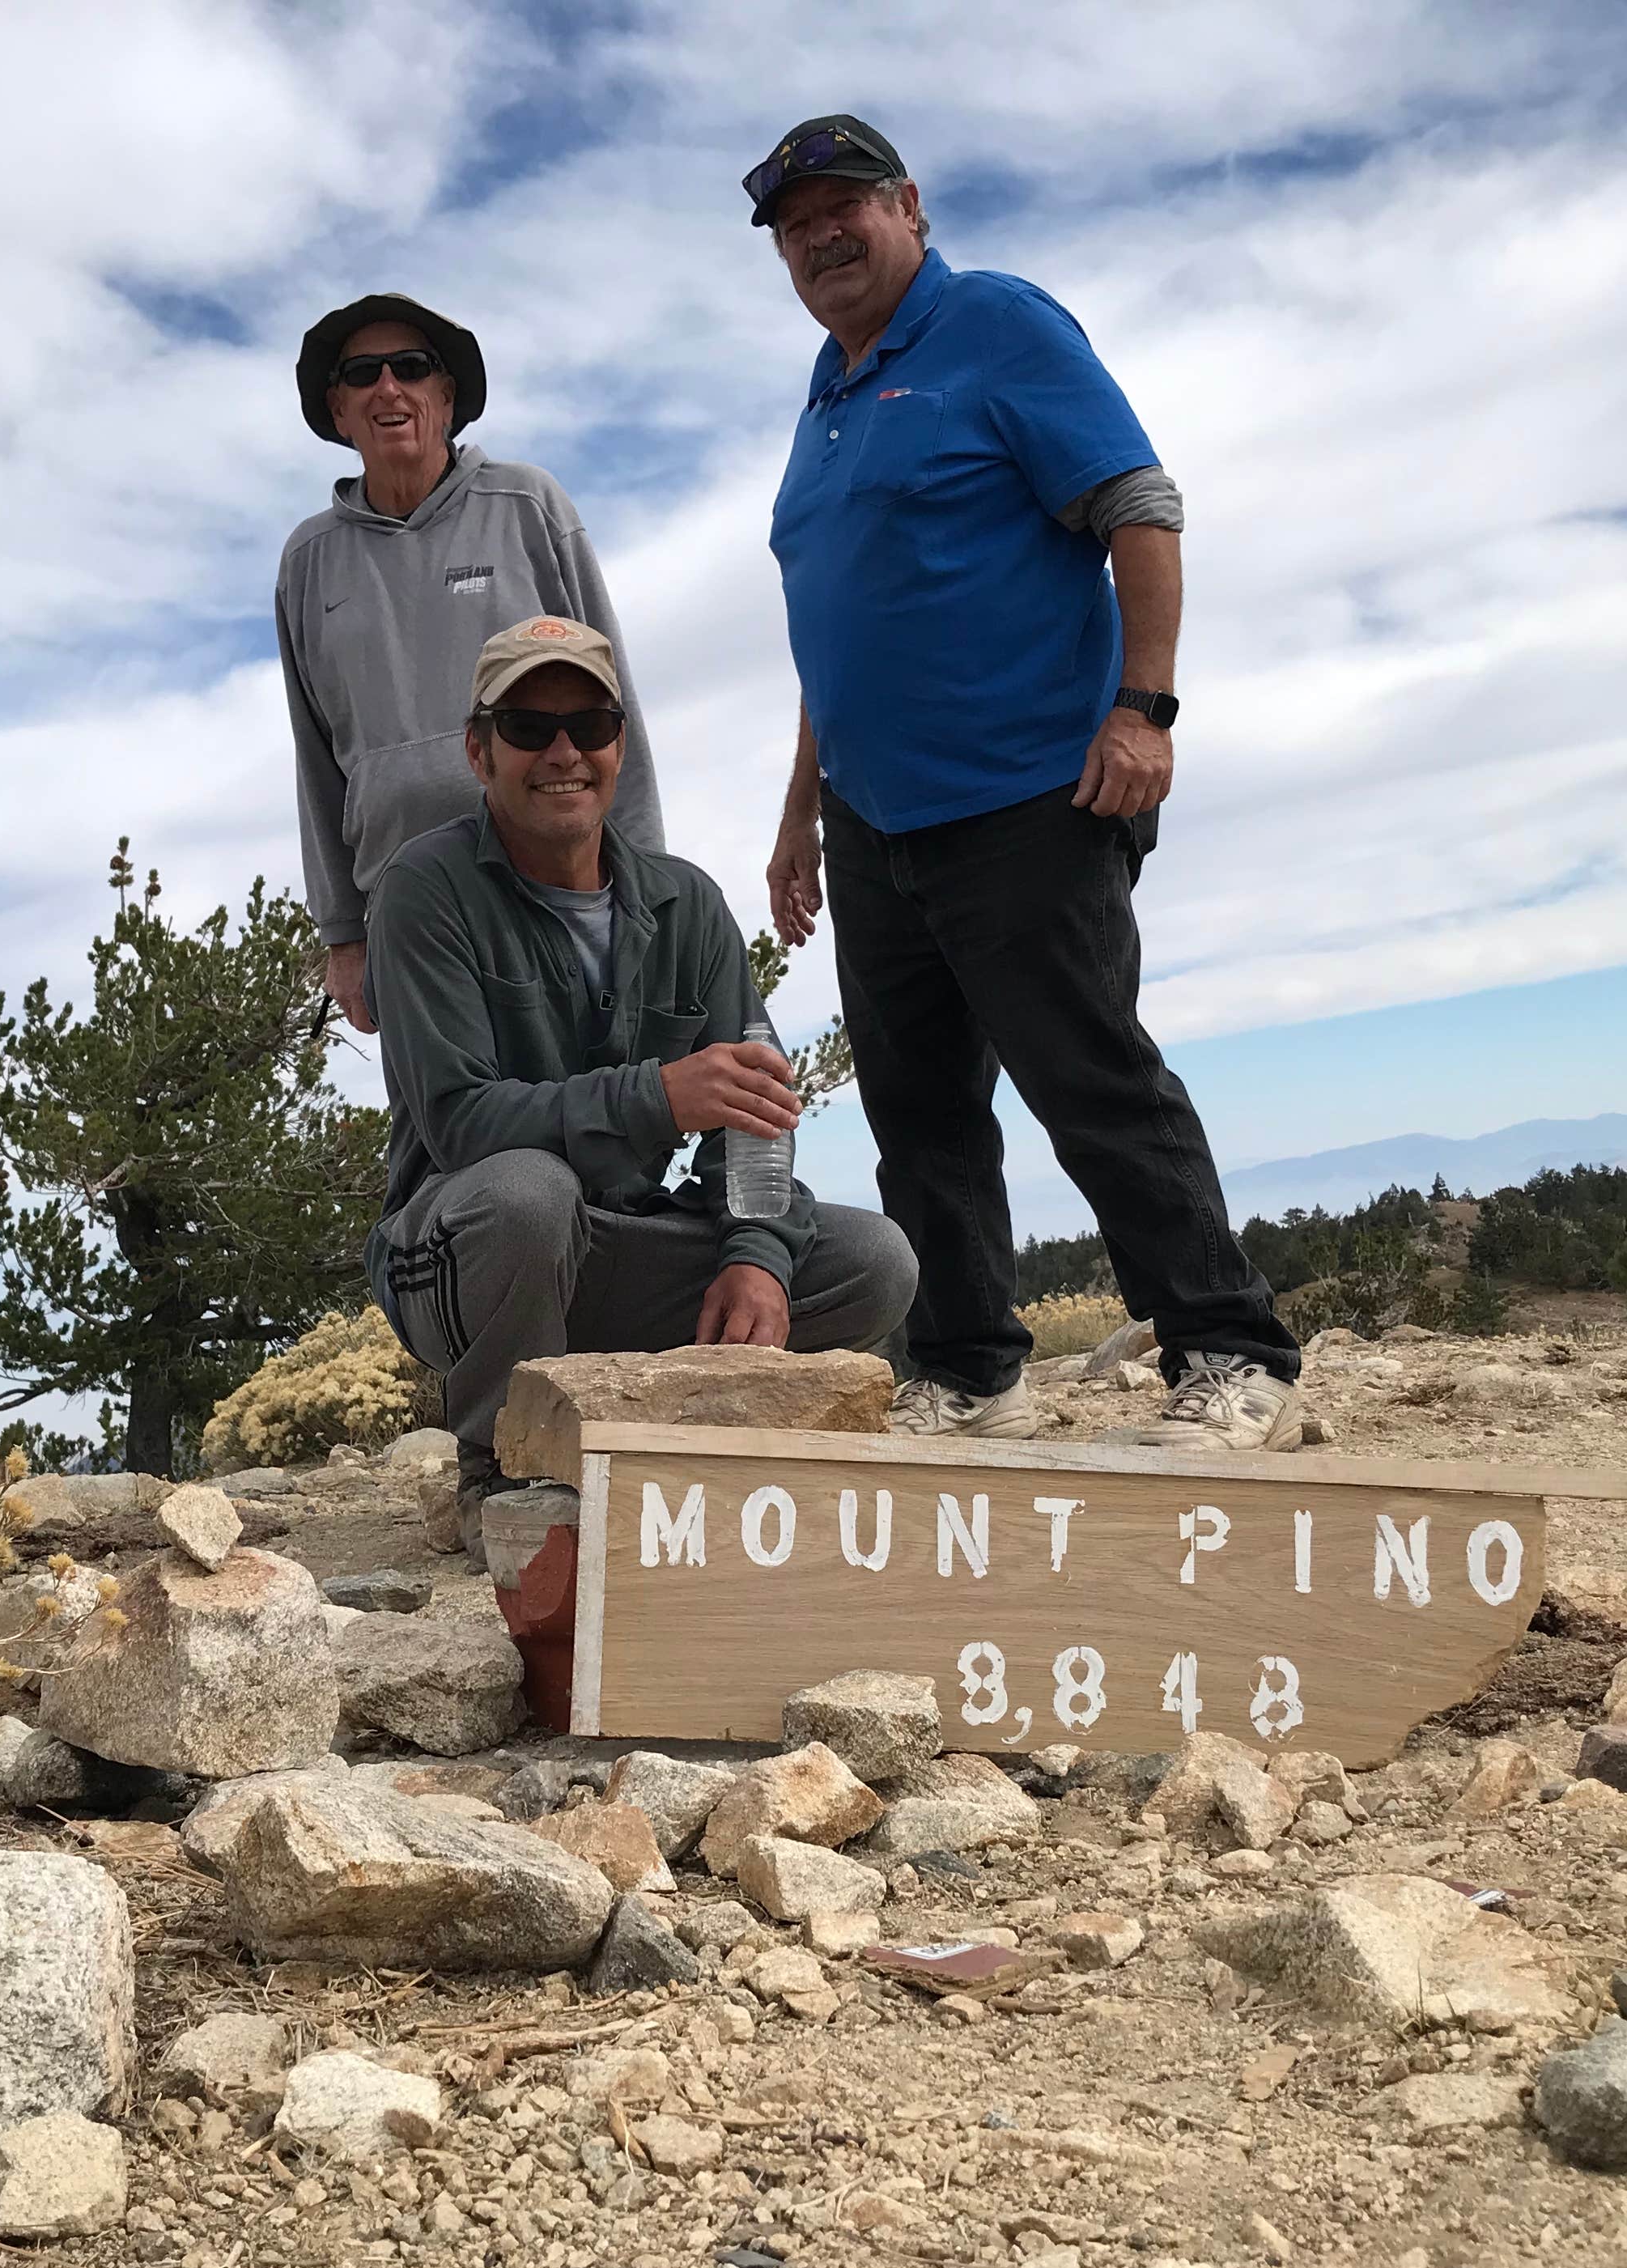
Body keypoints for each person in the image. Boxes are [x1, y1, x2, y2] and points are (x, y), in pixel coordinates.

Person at [742, 115, 1305, 1453]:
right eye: (791, 220)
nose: (819, 233)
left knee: (1089, 1078)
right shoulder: (827, 392)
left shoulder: (995, 325)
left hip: (1026, 796)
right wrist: (799, 814)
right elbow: (845, 626)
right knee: (919, 1115)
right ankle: (967, 1369)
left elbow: (1139, 508)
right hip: (874, 820)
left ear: (910, 208)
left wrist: (1144, 705)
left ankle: (1230, 1351)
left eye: (845, 205)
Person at [367, 614, 917, 1544]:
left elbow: (759, 1112)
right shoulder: (423, 890)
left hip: (618, 1246)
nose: (564, 752)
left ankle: (684, 1445)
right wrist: (656, 1096)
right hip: (463, 1256)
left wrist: (756, 1255)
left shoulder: (688, 905)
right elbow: (461, 1123)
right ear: (478, 749)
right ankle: (504, 1475)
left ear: (621, 744)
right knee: (528, 1195)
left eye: (591, 724)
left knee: (875, 1260)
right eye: (529, 728)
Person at [278, 294, 665, 1038]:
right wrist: (342, 932)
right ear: (338, 408)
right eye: (363, 374)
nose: (389, 388)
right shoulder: (306, 562)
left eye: (413, 368)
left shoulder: (528, 506)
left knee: (596, 1121)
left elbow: (615, 712)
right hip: (405, 908)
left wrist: (650, 887)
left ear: (447, 396)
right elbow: (316, 761)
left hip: (555, 882)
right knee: (446, 1136)